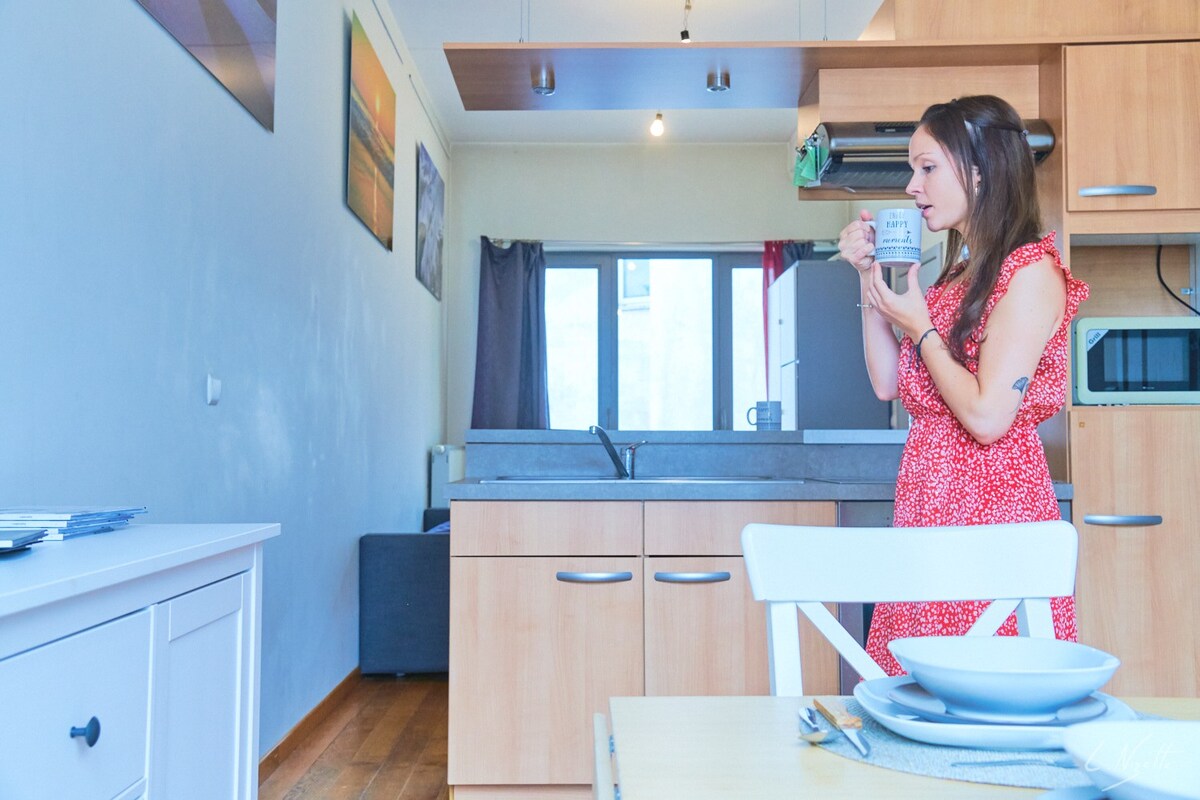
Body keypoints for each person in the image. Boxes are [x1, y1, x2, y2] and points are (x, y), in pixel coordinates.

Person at [836, 95, 1089, 676]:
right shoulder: (959, 272)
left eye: (927, 167)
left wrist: (919, 326)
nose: (911, 186)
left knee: (982, 679)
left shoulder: (1031, 274)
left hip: (990, 505)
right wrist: (870, 282)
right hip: (929, 496)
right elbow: (885, 384)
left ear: (980, 169)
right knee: (921, 685)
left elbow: (986, 417)